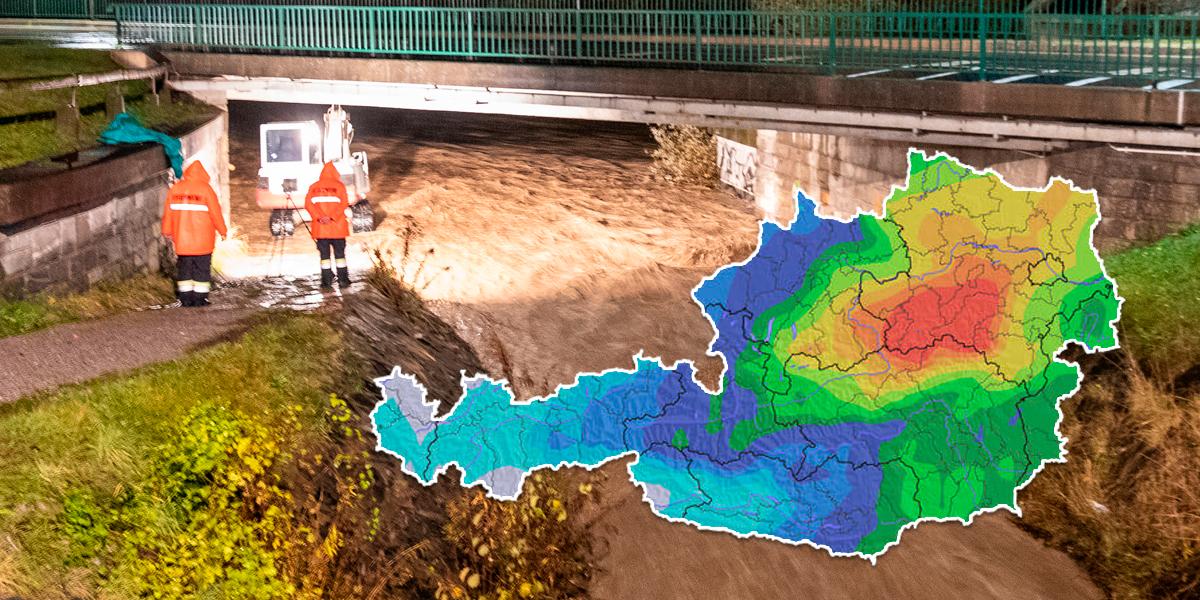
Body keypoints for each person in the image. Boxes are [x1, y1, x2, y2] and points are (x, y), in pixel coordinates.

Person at [162, 161, 226, 307]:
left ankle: (185, 298)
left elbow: (168, 213)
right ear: (203, 174)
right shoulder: (206, 189)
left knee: (184, 269)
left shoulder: (175, 189)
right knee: (201, 270)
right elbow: (215, 213)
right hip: (203, 240)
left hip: (182, 240)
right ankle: (200, 299)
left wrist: (167, 231)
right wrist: (223, 231)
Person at [304, 162, 352, 290]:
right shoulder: (339, 186)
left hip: (321, 230)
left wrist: (319, 217)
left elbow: (308, 205)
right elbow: (344, 204)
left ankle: (326, 282)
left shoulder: (313, 187)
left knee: (324, 257)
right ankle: (343, 281)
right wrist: (331, 217)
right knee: (340, 256)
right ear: (335, 173)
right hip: (338, 229)